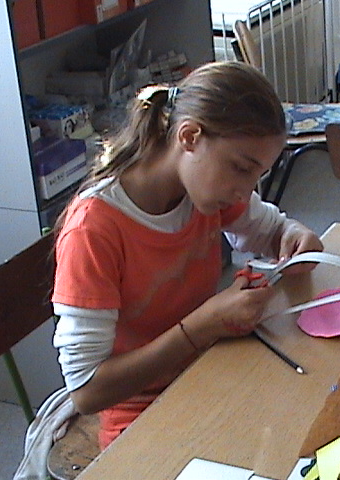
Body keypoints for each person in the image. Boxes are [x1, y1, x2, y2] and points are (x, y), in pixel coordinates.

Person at [50, 61, 324, 450]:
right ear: (190, 137)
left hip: (211, 371)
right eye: (241, 169)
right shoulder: (94, 230)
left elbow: (272, 230)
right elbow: (87, 392)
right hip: (142, 412)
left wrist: (294, 235)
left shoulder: (202, 188)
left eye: (257, 175)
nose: (245, 190)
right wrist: (202, 326)